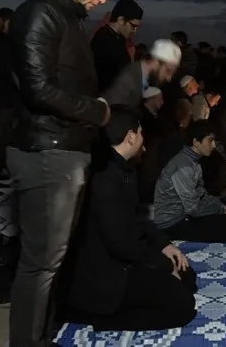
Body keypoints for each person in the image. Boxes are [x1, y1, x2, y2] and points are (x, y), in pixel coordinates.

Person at [7, 0, 116, 347]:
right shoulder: (39, 14)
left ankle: (41, 338)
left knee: (51, 262)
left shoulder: (63, 16)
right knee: (40, 265)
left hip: (61, 148)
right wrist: (98, 111)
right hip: (46, 152)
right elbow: (37, 90)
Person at [66, 108, 196, 331]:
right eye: (141, 133)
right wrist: (161, 263)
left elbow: (137, 219)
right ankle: (100, 319)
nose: (144, 143)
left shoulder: (124, 169)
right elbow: (119, 244)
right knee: (183, 306)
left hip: (123, 257)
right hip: (104, 274)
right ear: (131, 137)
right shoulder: (104, 178)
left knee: (186, 277)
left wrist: (164, 245)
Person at [153, 120, 226, 244]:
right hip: (173, 223)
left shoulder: (193, 161)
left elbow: (201, 195)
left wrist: (220, 206)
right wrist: (219, 210)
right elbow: (193, 209)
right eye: (210, 140)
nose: (214, 145)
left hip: (185, 215)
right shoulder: (184, 166)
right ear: (196, 142)